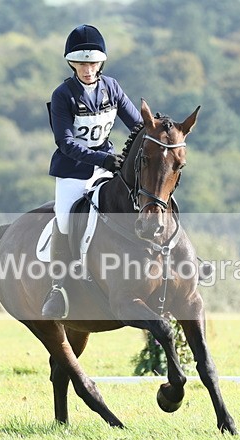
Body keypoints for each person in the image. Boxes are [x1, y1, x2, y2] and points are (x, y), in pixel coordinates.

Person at [42, 24, 143, 319]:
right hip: (73, 171)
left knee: (147, 198)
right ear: (72, 62)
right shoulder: (63, 95)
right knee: (64, 220)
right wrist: (102, 159)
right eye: (82, 62)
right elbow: (66, 142)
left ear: (101, 62)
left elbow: (136, 126)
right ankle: (58, 288)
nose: (88, 68)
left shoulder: (111, 87)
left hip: (107, 166)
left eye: (93, 62)